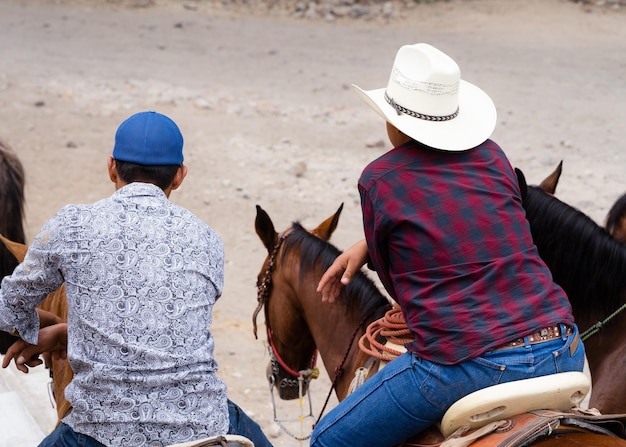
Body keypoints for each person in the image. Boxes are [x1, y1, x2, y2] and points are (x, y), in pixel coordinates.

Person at [311, 43, 585, 447]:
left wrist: (375, 247)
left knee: (327, 440)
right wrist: (366, 243)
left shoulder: (380, 179)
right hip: (562, 346)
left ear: (394, 121)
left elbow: (400, 290)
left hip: (469, 363)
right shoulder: (493, 156)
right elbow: (482, 221)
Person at [0, 111, 273, 447]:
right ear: (179, 176)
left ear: (111, 167)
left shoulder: (72, 225)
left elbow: (9, 306)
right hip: (201, 422)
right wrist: (64, 332)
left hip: (99, 428)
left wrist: (36, 325)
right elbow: (159, 327)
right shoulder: (206, 239)